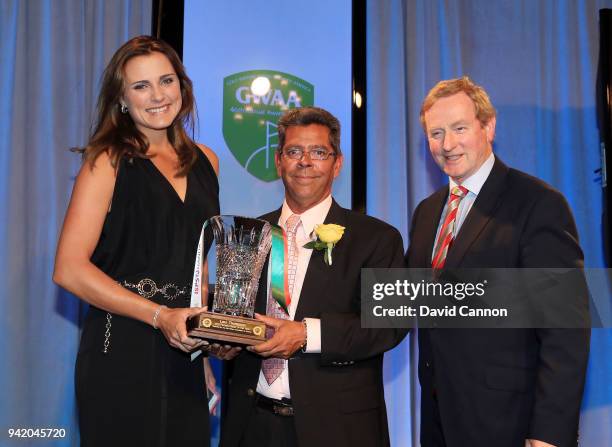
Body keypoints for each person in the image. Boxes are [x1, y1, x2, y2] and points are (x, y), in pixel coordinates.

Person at [53, 36, 225, 446]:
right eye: (141, 86)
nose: (158, 96)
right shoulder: (106, 160)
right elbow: (69, 269)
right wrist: (158, 315)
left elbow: (196, 267)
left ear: (182, 87)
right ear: (122, 100)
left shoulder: (208, 161)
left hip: (184, 350)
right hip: (120, 346)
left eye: (166, 80)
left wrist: (201, 358)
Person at [405, 76, 590, 447]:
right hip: (440, 420)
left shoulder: (538, 204)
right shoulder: (427, 213)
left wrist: (549, 433)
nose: (447, 145)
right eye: (436, 133)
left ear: (488, 126)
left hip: (511, 424)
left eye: (459, 128)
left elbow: (565, 328)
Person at [219, 106, 407, 447]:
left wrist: (307, 334)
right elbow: (235, 317)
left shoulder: (378, 238)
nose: (305, 161)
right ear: (278, 162)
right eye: (294, 151)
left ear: (337, 164)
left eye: (318, 152)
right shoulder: (248, 235)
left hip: (338, 430)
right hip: (252, 425)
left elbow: (388, 324)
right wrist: (223, 340)